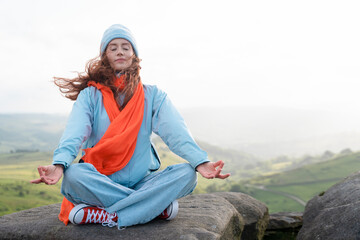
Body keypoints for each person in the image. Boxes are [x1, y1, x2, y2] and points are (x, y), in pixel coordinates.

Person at [31, 24, 230, 230]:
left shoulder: (153, 96)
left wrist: (200, 161)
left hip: (142, 181)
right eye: (113, 47)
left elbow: (176, 133)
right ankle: (151, 208)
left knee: (188, 174)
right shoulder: (90, 96)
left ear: (134, 54)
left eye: (126, 47)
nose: (120, 51)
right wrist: (59, 164)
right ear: (104, 56)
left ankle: (105, 214)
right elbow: (74, 134)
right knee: (73, 176)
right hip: (101, 181)